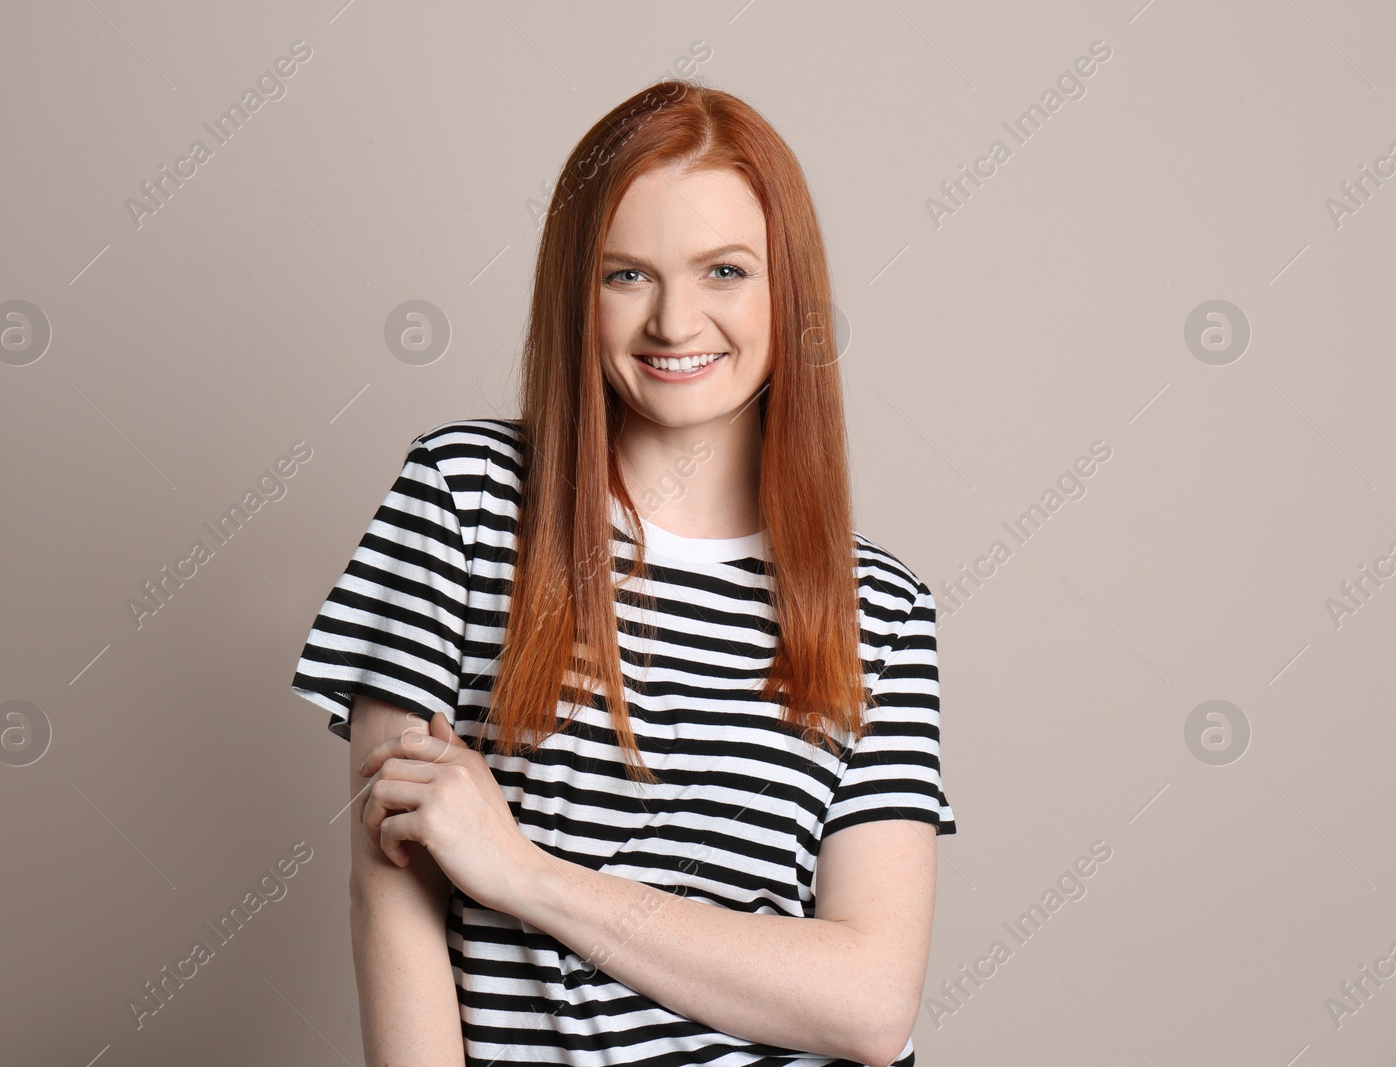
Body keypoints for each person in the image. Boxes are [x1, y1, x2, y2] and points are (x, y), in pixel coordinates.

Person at [290, 78, 956, 1066]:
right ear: (576, 292)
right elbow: (389, 897)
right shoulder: (464, 499)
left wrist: (525, 872)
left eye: (725, 270)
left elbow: (867, 1003)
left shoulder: (881, 609)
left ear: (788, 291)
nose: (675, 322)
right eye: (626, 275)